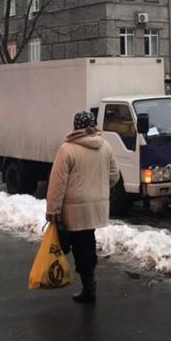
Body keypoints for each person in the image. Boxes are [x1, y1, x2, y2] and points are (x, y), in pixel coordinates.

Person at [46, 111, 119, 303]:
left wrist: (52, 210)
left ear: (75, 127)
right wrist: (99, 190)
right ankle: (89, 284)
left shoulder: (67, 149)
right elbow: (114, 176)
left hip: (74, 209)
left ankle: (87, 287)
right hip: (96, 208)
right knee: (87, 242)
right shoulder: (105, 146)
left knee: (76, 246)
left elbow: (57, 183)